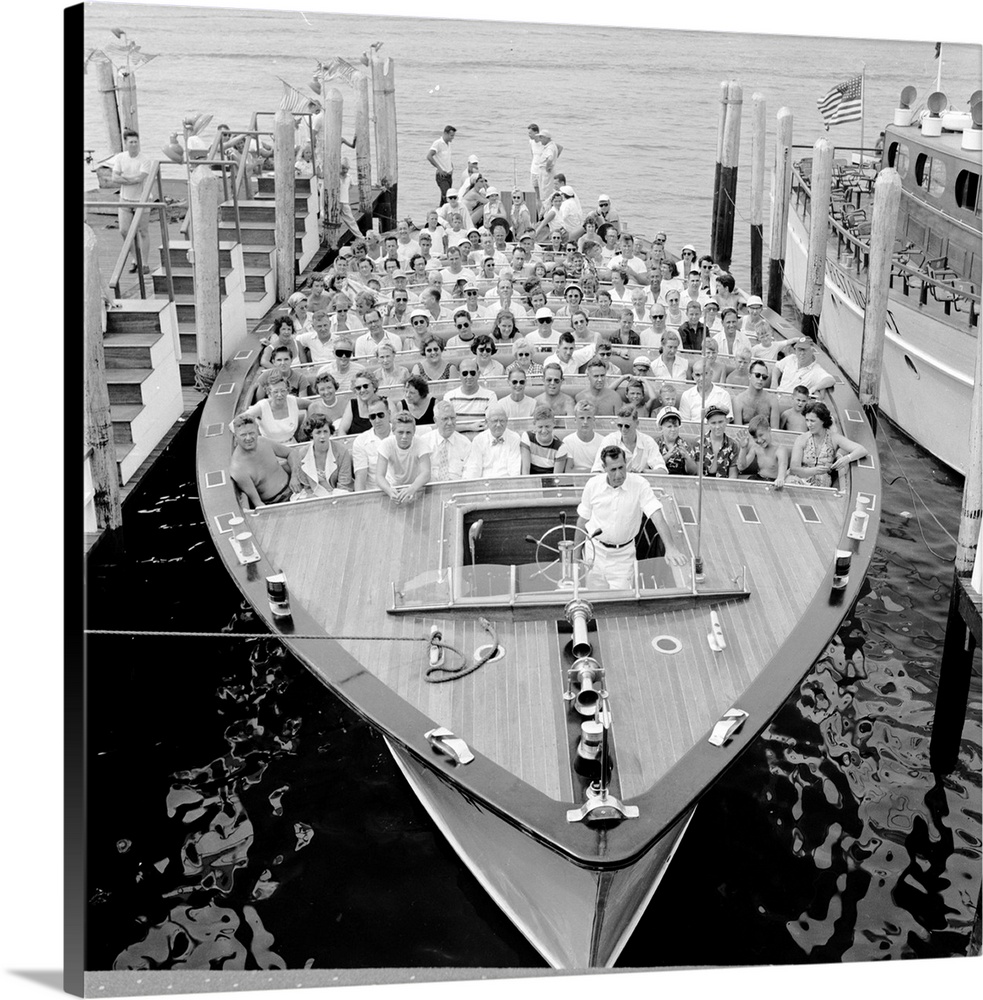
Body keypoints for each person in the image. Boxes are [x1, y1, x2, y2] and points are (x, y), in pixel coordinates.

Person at [576, 446, 687, 589]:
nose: (619, 475)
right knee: (594, 599)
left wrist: (670, 548)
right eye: (613, 470)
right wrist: (576, 556)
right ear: (604, 468)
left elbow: (656, 514)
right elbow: (582, 520)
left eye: (621, 468)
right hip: (594, 553)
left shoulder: (640, 485)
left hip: (623, 558)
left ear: (626, 463)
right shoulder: (592, 485)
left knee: (621, 603)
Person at [785, 401, 868, 487]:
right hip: (799, 479)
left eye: (812, 421)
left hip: (821, 483)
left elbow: (862, 450)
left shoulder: (834, 438)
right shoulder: (801, 439)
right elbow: (794, 469)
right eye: (807, 420)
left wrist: (847, 458)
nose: (809, 424)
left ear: (823, 421)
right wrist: (815, 471)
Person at [229, 413, 303, 508]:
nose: (248, 438)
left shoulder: (263, 441)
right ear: (236, 437)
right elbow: (258, 503)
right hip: (277, 503)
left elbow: (292, 453)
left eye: (251, 433)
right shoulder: (238, 469)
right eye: (243, 435)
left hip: (295, 486)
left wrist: (294, 477)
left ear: (257, 431)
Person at [111, 129, 155, 273]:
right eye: (131, 142)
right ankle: (135, 259)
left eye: (136, 142)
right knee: (124, 231)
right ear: (126, 143)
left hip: (142, 199)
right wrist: (130, 180)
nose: (134, 144)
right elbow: (114, 178)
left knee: (143, 231)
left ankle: (145, 263)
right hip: (125, 199)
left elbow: (140, 178)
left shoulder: (144, 159)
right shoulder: (120, 158)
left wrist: (125, 179)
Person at [374, 411, 432, 504]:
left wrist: (412, 488)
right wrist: (389, 490)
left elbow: (426, 473)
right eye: (400, 432)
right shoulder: (386, 444)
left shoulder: (421, 443)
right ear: (393, 432)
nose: (404, 436)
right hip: (392, 486)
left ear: (414, 432)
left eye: (408, 432)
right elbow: (379, 476)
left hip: (415, 487)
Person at [294, 412, 354, 497]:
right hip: (313, 496)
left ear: (330, 432)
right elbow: (306, 486)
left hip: (339, 494)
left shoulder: (342, 451)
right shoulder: (302, 454)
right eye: (318, 432)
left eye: (325, 431)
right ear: (311, 433)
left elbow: (344, 485)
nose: (322, 436)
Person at [592, 405, 667, 473]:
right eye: (620, 425)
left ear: (637, 423)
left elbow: (663, 471)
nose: (623, 429)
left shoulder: (648, 442)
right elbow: (597, 470)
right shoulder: (609, 440)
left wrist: (643, 472)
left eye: (627, 426)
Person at [239, 370, 305, 443]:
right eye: (275, 391)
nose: (279, 395)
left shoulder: (292, 400)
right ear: (269, 392)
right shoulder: (262, 406)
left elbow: (313, 405)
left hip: (292, 445)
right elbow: (236, 422)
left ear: (288, 391)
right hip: (270, 448)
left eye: (283, 391)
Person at [463, 405, 522, 479]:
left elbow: (515, 468)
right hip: (484, 483)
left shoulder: (514, 438)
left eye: (502, 420)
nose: (498, 424)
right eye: (495, 421)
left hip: (507, 482)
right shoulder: (478, 440)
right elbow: (474, 468)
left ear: (507, 421)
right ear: (487, 422)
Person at [352, 396, 393, 490]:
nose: (377, 420)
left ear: (389, 413)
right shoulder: (360, 441)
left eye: (381, 415)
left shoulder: (402, 434)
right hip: (375, 493)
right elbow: (360, 478)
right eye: (372, 416)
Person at [736, 415, 789, 487]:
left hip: (773, 482)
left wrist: (780, 478)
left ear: (769, 430)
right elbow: (741, 467)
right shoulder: (755, 448)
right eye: (755, 437)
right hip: (759, 478)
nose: (759, 440)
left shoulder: (780, 449)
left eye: (761, 435)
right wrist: (743, 448)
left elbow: (783, 464)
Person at [426, 400, 472, 481]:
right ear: (435, 420)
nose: (450, 422)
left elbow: (469, 473)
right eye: (445, 419)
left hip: (457, 487)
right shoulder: (425, 442)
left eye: (452, 418)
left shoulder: (465, 443)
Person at [771, 338, 835, 394]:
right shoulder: (791, 358)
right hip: (776, 396)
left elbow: (831, 380)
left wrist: (813, 389)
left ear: (812, 350)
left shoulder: (816, 370)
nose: (802, 353)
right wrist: (774, 383)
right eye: (799, 349)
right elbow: (777, 367)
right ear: (795, 350)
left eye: (804, 350)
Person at [557, 399, 604, 472]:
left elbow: (603, 470)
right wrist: (592, 471)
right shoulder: (567, 441)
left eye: (589, 418)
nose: (585, 422)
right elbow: (568, 471)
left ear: (594, 419)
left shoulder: (603, 441)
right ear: (575, 420)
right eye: (582, 418)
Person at [521, 405, 567, 475]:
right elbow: (525, 471)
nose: (544, 431)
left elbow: (556, 477)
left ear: (554, 424)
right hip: (531, 482)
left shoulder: (561, 447)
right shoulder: (527, 437)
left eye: (547, 426)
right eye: (540, 427)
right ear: (534, 424)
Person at [335, 370, 381, 436]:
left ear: (374, 386)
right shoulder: (352, 404)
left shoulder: (386, 402)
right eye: (358, 388)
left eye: (365, 386)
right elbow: (342, 430)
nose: (362, 390)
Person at [655, 406, 697, 475]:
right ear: (660, 428)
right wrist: (667, 456)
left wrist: (686, 457)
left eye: (675, 426)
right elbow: (651, 468)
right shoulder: (654, 444)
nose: (673, 430)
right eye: (669, 426)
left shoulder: (686, 444)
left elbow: (693, 472)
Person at [701, 405, 739, 478]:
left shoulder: (733, 445)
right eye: (713, 423)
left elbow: (733, 475)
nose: (717, 426)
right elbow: (698, 473)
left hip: (725, 485)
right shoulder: (699, 443)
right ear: (708, 423)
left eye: (720, 422)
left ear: (726, 421)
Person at [733, 359, 774, 424]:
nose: (760, 379)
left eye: (764, 377)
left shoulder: (772, 401)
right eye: (757, 375)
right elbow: (738, 430)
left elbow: (775, 430)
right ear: (749, 375)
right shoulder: (738, 400)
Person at [426, 124, 457, 205]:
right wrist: (439, 169)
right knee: (448, 197)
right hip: (442, 176)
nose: (452, 137)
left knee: (444, 198)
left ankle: (439, 214)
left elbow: (446, 158)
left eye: (453, 136)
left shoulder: (448, 144)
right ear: (445, 133)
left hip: (449, 175)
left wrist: (451, 166)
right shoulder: (438, 143)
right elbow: (429, 156)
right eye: (451, 135)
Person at [337, 158, 362, 239]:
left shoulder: (349, 177)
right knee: (334, 220)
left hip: (344, 201)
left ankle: (360, 236)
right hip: (336, 201)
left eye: (347, 169)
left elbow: (350, 186)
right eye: (343, 168)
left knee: (351, 220)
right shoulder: (336, 177)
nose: (345, 170)